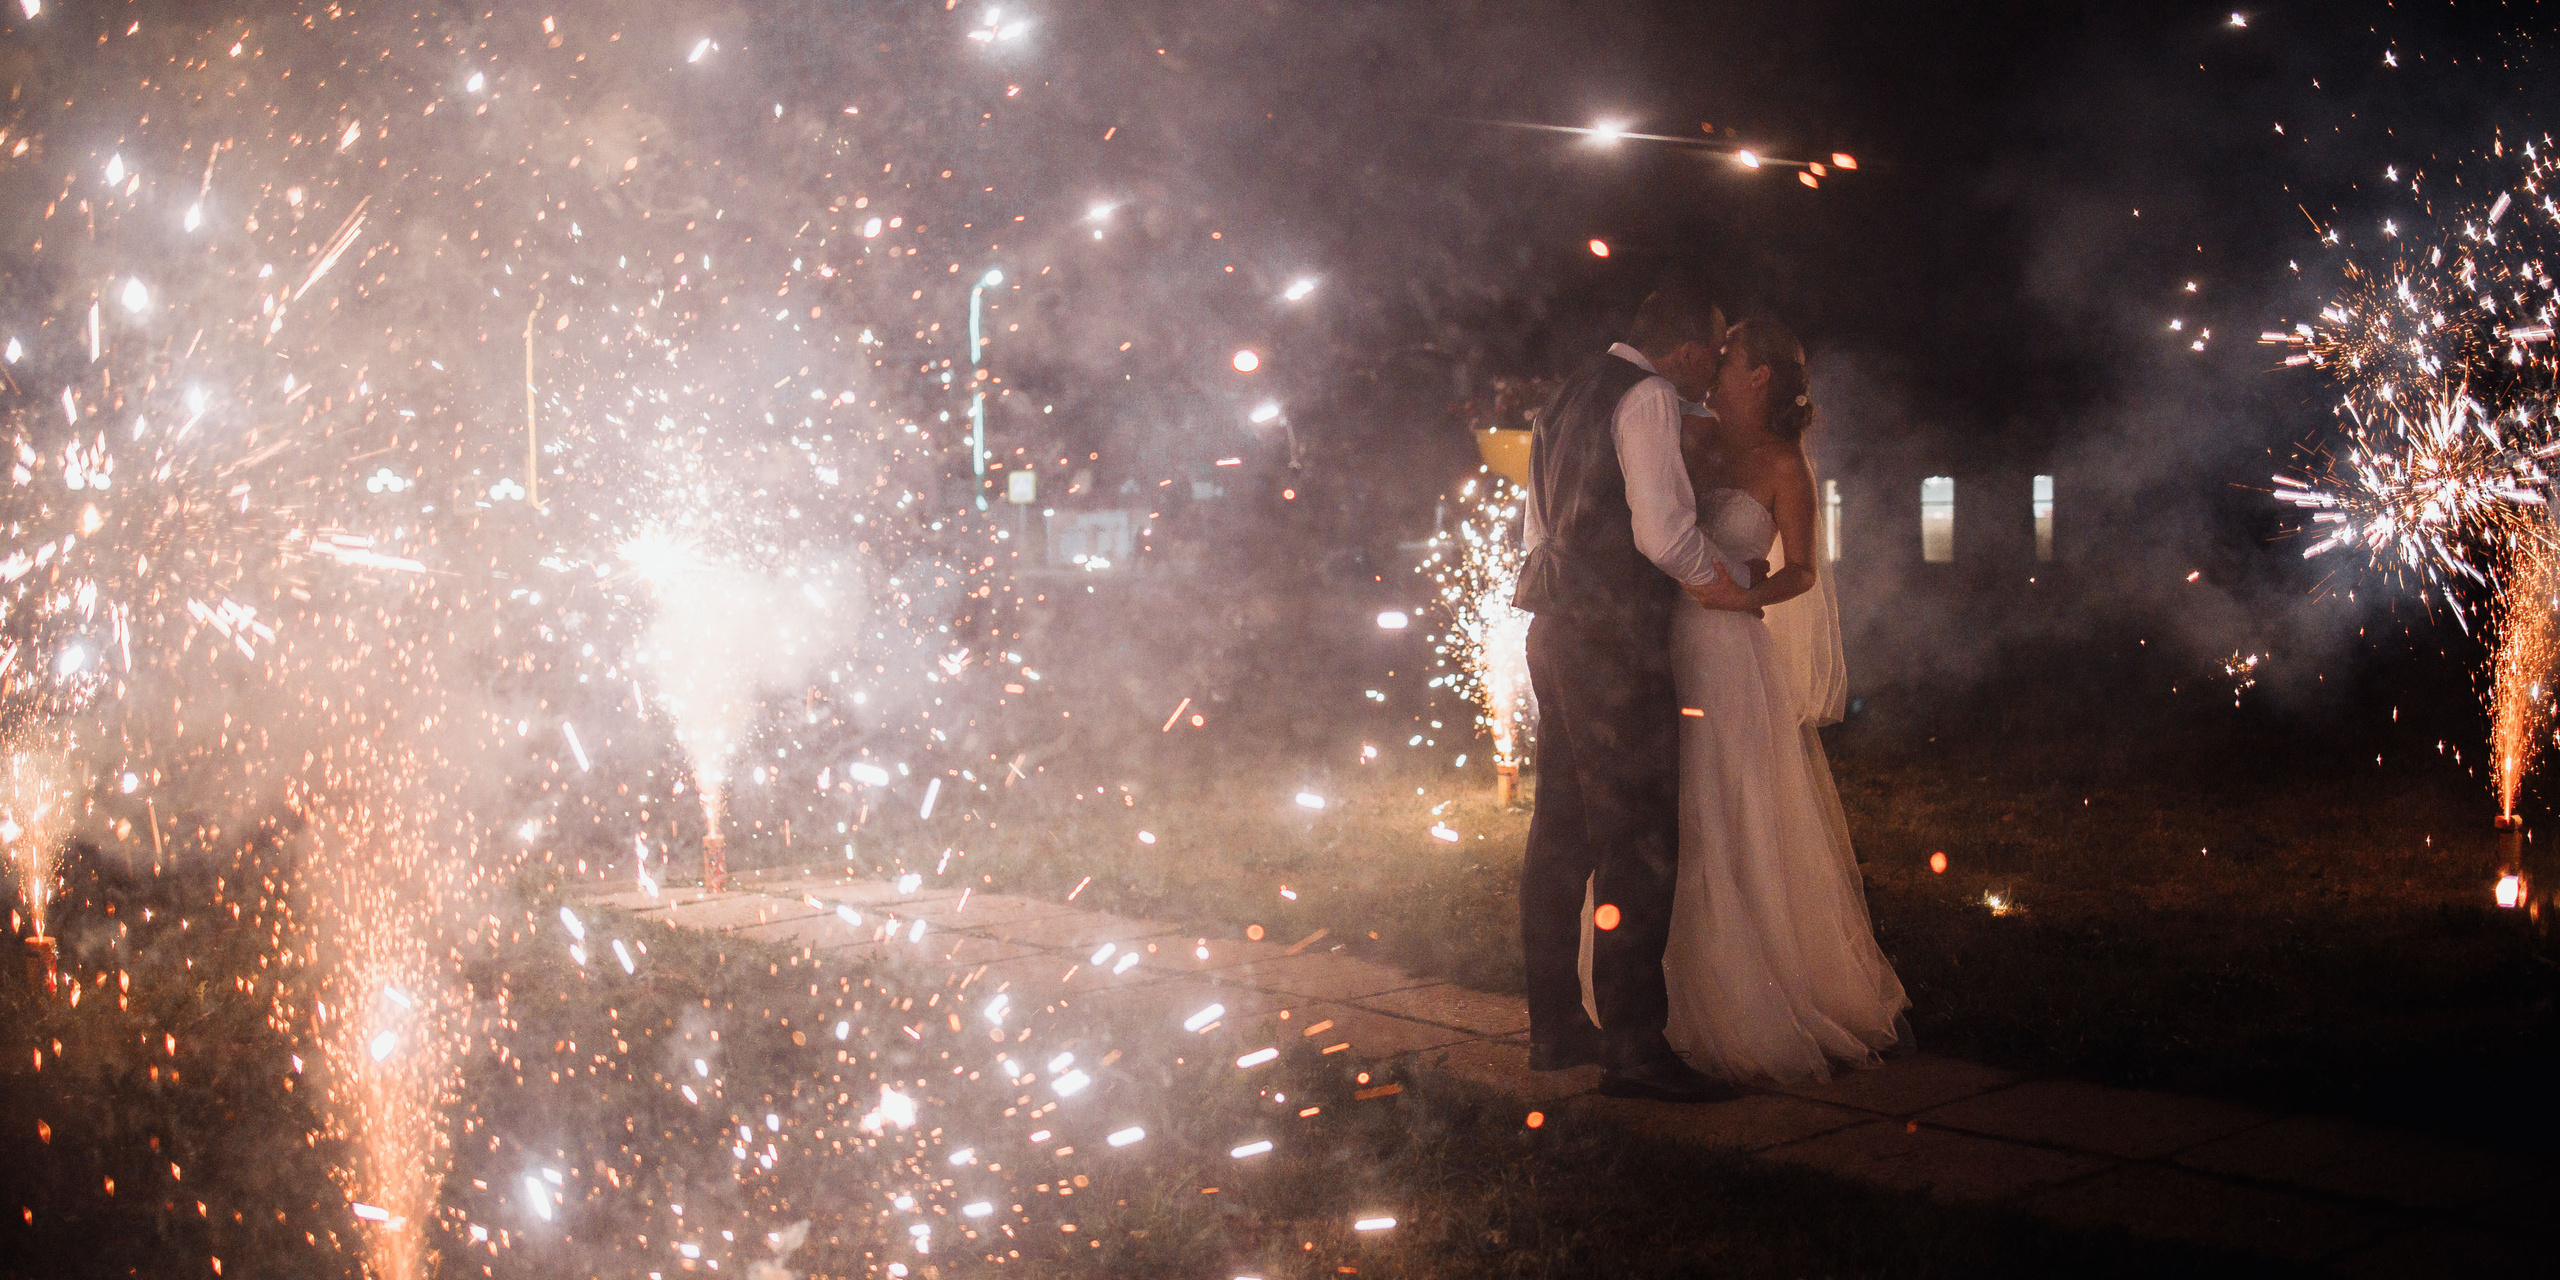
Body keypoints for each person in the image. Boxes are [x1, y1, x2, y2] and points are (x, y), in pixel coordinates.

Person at [1512, 273, 1751, 1103]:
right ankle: (1635, 1050)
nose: (1713, 368)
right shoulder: (1648, 395)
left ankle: (1554, 1030)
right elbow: (1663, 532)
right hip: (1614, 639)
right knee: (1636, 844)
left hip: (1555, 629)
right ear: (1685, 350)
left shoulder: (1569, 391)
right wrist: (1725, 583)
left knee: (1561, 833)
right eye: (1714, 352)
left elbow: (1538, 525)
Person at [1660, 315, 1911, 1083]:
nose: (1713, 361)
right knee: (1673, 805)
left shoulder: (1783, 465)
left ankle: (1748, 988)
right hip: (1669, 638)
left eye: (1728, 355)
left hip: (1730, 648)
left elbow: (1801, 570)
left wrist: (1744, 599)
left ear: (1759, 373)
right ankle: (1661, 988)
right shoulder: (1696, 438)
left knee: (1728, 805)